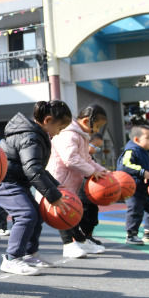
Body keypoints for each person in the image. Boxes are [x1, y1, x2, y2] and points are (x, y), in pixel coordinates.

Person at [0, 101, 73, 276]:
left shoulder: (36, 135)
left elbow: (37, 169)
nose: (60, 131)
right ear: (48, 120)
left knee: (36, 213)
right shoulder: (31, 137)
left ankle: (29, 254)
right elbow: (32, 169)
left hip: (16, 180)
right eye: (60, 126)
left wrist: (57, 187)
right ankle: (12, 258)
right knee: (26, 214)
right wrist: (53, 195)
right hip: (4, 180)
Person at [48, 104, 111, 259]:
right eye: (97, 126)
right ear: (85, 120)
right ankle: (68, 244)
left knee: (71, 212)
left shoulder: (81, 135)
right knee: (62, 212)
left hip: (69, 181)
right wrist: (92, 172)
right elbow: (70, 159)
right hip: (59, 179)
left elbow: (86, 159)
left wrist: (101, 170)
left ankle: (81, 241)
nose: (97, 130)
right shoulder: (69, 134)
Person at [118, 125, 149, 245]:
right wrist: (142, 172)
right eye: (148, 138)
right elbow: (124, 165)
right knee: (135, 210)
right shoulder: (131, 151)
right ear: (136, 140)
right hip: (133, 189)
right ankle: (131, 234)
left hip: (148, 189)